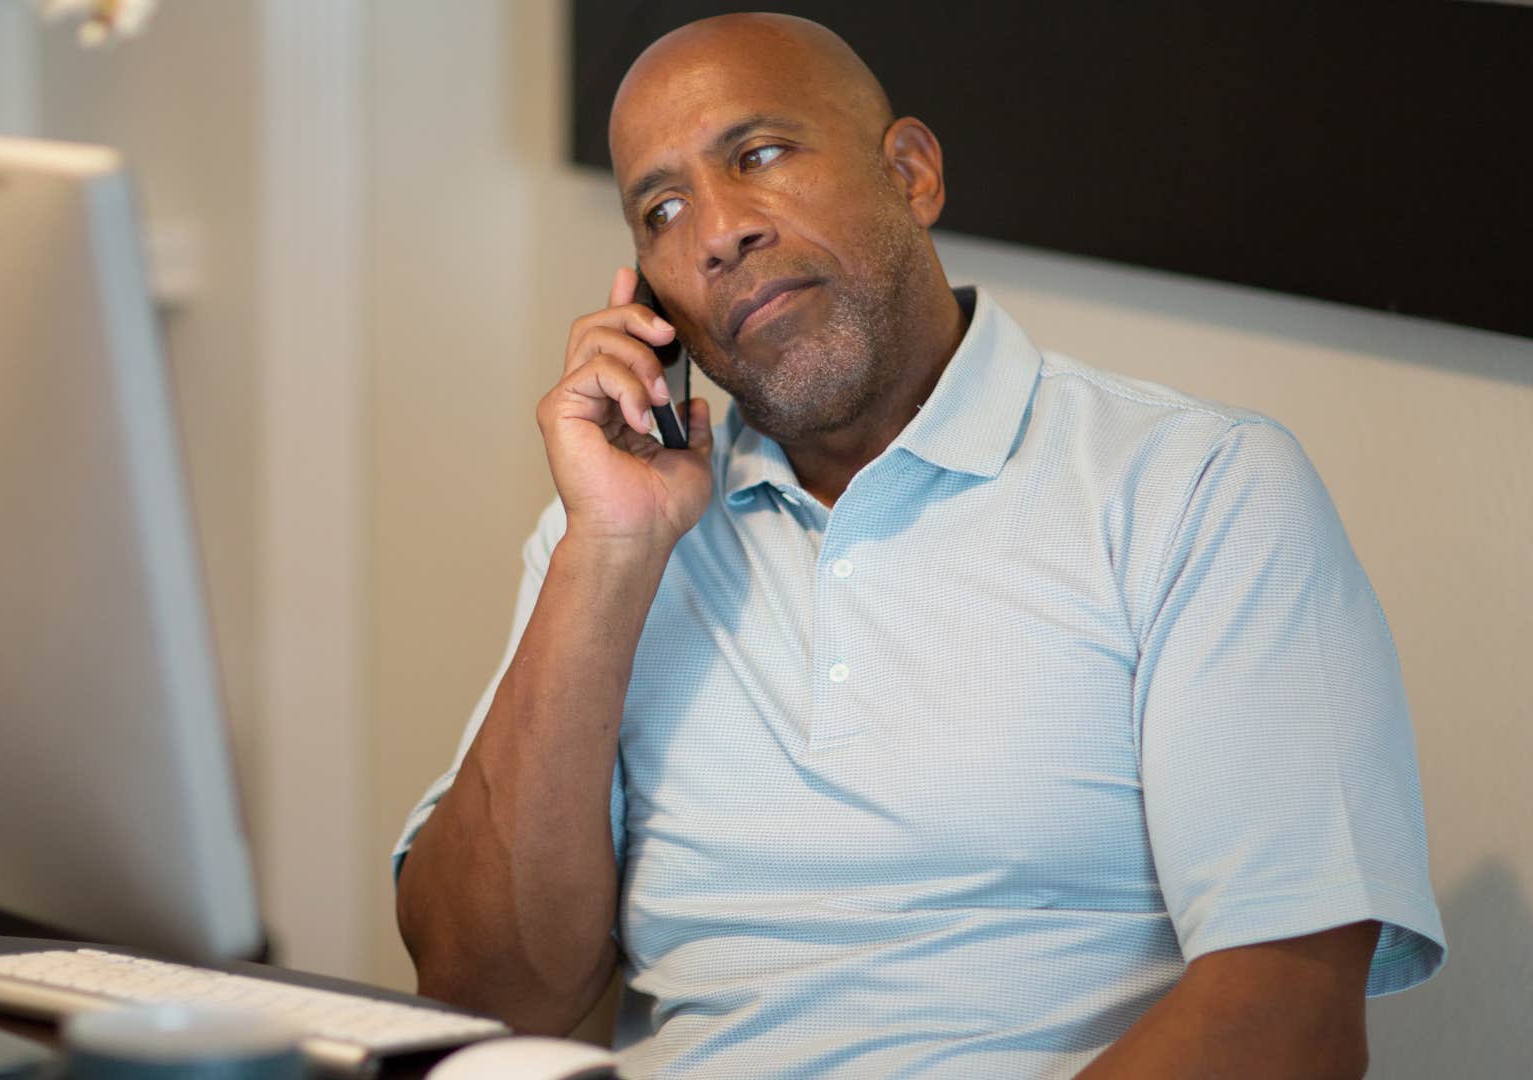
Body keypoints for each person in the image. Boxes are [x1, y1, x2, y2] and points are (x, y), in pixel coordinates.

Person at [392, 13, 1444, 1078]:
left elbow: (1287, 1022)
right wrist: (608, 556)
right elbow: (480, 991)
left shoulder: (1197, 492)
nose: (717, 232)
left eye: (757, 155)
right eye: (663, 210)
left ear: (912, 173)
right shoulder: (615, 537)